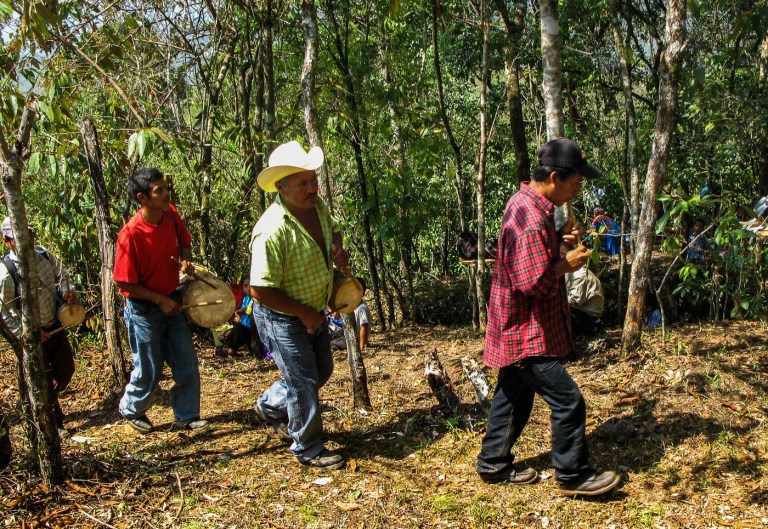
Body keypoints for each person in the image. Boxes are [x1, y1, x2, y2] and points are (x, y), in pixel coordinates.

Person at [476, 138, 621, 497]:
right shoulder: (528, 216)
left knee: (513, 396)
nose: (578, 188)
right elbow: (531, 283)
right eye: (575, 182)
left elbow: (533, 254)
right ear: (555, 177)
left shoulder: (534, 206)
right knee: (568, 400)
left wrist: (559, 238)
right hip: (527, 331)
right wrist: (565, 265)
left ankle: (492, 463)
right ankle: (573, 475)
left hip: (522, 328)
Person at [250, 140, 349, 470]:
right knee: (304, 381)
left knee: (322, 369)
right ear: (282, 186)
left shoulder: (316, 206)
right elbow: (260, 289)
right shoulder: (271, 229)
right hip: (282, 317)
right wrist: (303, 313)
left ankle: (270, 403)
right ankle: (307, 446)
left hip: (312, 308)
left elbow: (334, 228)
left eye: (313, 180)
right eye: (303, 183)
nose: (311, 188)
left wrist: (336, 248)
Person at [113, 168, 209, 434]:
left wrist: (186, 260)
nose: (166, 193)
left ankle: (187, 416)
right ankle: (132, 408)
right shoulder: (130, 235)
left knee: (186, 361)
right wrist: (158, 300)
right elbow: (122, 281)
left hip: (172, 302)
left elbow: (184, 242)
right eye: (159, 190)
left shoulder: (170, 213)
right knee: (149, 369)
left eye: (165, 188)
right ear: (143, 198)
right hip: (144, 310)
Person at [0, 217, 78, 435]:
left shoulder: (44, 255)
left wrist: (67, 293)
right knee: (43, 380)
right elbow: (4, 312)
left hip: (55, 327)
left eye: (29, 234)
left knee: (66, 370)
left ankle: (43, 402)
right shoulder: (6, 272)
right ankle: (53, 422)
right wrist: (28, 334)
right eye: (19, 237)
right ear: (7, 242)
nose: (27, 240)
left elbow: (61, 278)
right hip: (35, 337)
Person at [218, 278, 266, 358]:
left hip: (255, 331)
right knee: (238, 327)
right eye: (245, 286)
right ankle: (230, 348)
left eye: (251, 285)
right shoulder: (245, 299)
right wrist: (239, 315)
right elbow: (246, 310)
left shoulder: (259, 298)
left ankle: (257, 353)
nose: (248, 288)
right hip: (245, 328)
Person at [326, 278, 371, 352]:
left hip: (353, 338)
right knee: (327, 338)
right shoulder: (350, 305)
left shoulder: (362, 308)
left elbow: (363, 329)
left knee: (330, 344)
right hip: (345, 332)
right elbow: (336, 317)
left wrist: (361, 348)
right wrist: (339, 304)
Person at [566, 267, 604, 336]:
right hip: (581, 313)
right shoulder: (571, 273)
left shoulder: (580, 275)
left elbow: (570, 303)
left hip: (590, 318)